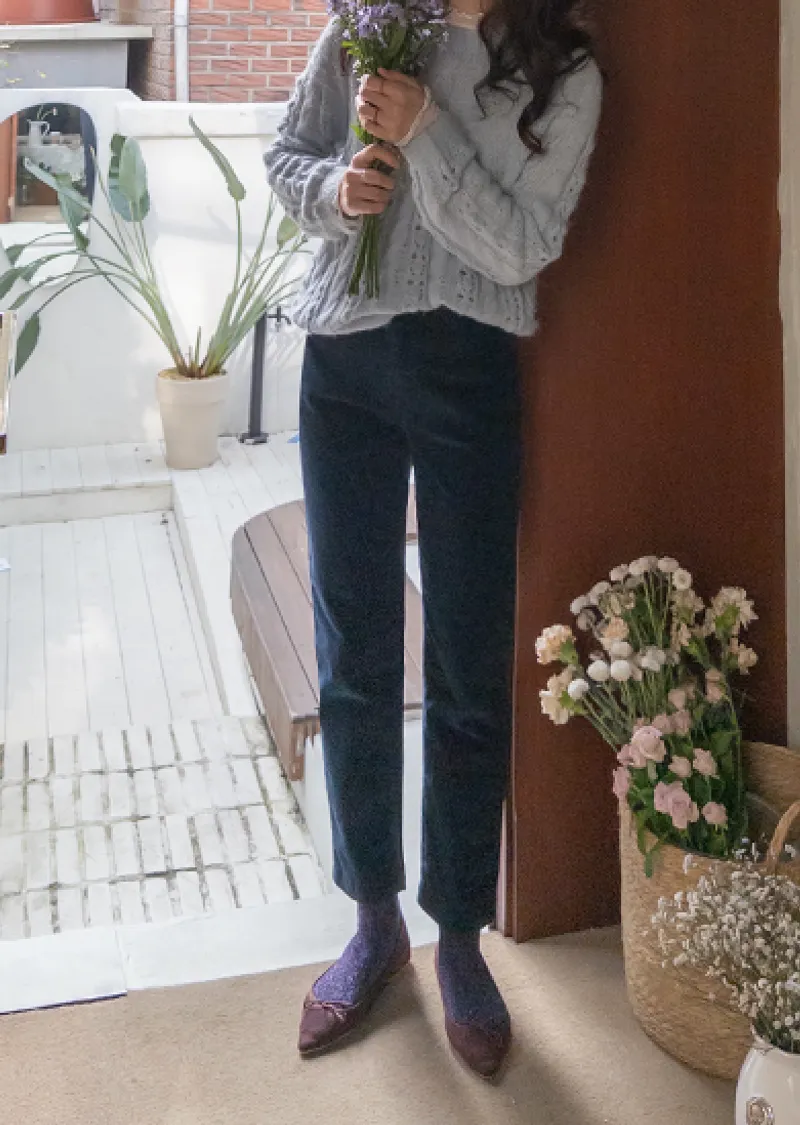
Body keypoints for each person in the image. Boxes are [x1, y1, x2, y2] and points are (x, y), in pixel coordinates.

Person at [264, 0, 602, 1079]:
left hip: (468, 371)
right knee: (352, 650)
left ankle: (458, 934)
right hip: (343, 365)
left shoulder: (566, 73)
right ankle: (372, 921)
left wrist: (424, 135)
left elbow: (522, 248)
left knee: (466, 656)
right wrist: (335, 192)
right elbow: (286, 156)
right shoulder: (371, 24)